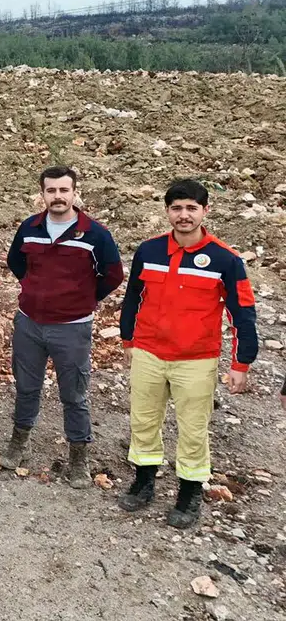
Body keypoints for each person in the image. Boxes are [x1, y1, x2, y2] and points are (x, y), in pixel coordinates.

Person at [117, 179, 259, 529]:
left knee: (193, 429)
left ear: (205, 211)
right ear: (167, 212)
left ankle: (189, 492)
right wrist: (128, 342)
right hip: (149, 352)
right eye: (177, 208)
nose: (183, 215)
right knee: (144, 421)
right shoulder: (149, 252)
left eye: (191, 208)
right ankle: (144, 481)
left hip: (196, 359)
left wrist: (241, 364)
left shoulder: (226, 259)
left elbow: (243, 313)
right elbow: (133, 298)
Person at [0, 167, 124, 488]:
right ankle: (19, 442)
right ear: (42, 193)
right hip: (29, 324)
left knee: (74, 394)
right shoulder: (29, 228)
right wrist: (35, 290)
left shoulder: (95, 234)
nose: (58, 197)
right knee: (27, 387)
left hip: (72, 328)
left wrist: (83, 299)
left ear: (74, 193)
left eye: (63, 190)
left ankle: (79, 456)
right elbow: (17, 263)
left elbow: (113, 275)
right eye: (51, 190)